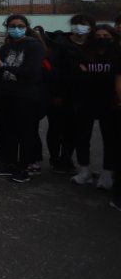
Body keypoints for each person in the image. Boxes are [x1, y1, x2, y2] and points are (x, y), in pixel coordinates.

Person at [0, 14, 46, 183]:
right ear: (7, 28)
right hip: (5, 95)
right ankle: (7, 162)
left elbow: (32, 73)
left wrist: (5, 66)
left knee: (25, 132)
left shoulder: (34, 46)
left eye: (20, 25)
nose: (16, 28)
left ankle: (24, 167)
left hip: (26, 96)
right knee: (5, 130)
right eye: (12, 25)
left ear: (26, 27)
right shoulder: (6, 48)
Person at [67, 24, 119, 190]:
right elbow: (76, 76)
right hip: (85, 102)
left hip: (110, 104)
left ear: (112, 37)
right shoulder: (83, 53)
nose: (102, 38)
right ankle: (84, 171)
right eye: (99, 35)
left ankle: (107, 174)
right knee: (82, 138)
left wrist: (89, 74)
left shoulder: (117, 55)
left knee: (110, 140)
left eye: (106, 35)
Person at [46, 15, 92, 174]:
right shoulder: (60, 44)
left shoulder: (91, 46)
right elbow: (53, 71)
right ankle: (54, 158)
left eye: (84, 24)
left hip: (81, 96)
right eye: (77, 24)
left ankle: (66, 159)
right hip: (60, 94)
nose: (80, 27)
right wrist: (55, 94)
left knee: (72, 130)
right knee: (55, 128)